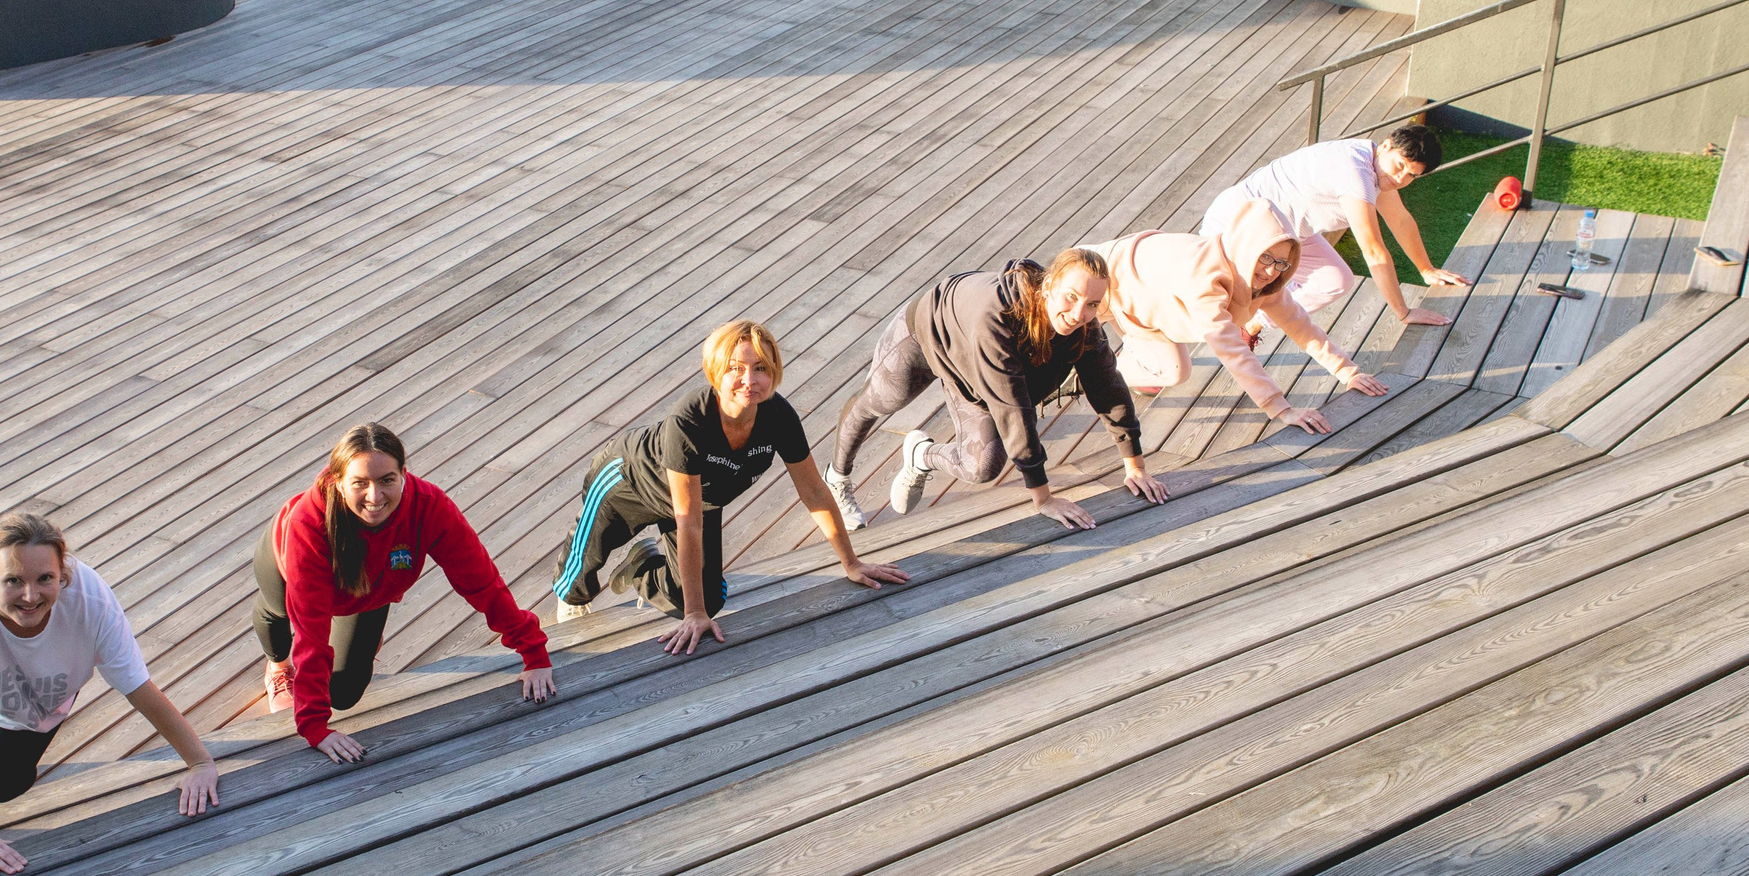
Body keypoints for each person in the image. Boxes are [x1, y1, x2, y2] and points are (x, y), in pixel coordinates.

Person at [555, 320, 910, 656]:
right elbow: (688, 522)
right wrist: (694, 615)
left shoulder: (778, 417)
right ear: (714, 373)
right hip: (631, 482)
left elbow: (814, 492)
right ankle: (573, 599)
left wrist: (852, 562)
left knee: (709, 603)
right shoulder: (689, 421)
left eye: (760, 368)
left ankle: (639, 566)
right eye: (735, 369)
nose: (749, 380)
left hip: (699, 500)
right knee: (583, 568)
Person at [0, 512, 221, 876]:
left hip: (44, 693)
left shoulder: (92, 603)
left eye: (45, 579)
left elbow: (138, 688)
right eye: (13, 580)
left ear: (64, 575)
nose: (30, 596)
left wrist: (200, 763)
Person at [258, 423, 556, 765]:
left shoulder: (429, 506)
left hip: (367, 592)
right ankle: (278, 666)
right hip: (284, 565)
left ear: (403, 473)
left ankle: (357, 645)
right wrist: (314, 727)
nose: (375, 496)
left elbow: (482, 582)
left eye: (387, 480)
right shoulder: (307, 525)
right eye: (360, 483)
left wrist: (534, 653)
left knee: (344, 693)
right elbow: (311, 632)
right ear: (338, 482)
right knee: (279, 617)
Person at [827, 249, 1167, 534]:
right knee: (879, 402)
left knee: (982, 467)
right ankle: (837, 478)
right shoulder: (997, 317)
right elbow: (1012, 408)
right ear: (1049, 286)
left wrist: (1134, 466)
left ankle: (920, 456)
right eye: (1072, 297)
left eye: (1093, 304)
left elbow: (1108, 388)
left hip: (972, 369)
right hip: (927, 333)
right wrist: (1044, 498)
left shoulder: (1085, 328)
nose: (1079, 313)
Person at [1084, 194, 1390, 439]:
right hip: (1098, 276)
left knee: (1175, 373)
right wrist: (1279, 407)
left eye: (1282, 262)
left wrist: (1347, 372)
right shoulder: (1206, 278)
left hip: (1148, 307)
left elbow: (1300, 325)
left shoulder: (1266, 283)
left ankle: (1095, 373)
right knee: (1050, 351)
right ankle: (1083, 364)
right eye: (1266, 256)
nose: (1271, 270)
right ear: (1246, 247)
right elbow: (1231, 349)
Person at [1204, 124, 1471, 331]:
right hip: (1237, 221)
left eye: (1411, 175)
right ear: (1386, 145)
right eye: (1400, 166)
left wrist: (1426, 269)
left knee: (1334, 280)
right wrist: (1404, 312)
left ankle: (1256, 322)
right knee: (1216, 299)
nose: (1401, 178)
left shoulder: (1380, 171)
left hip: (1288, 233)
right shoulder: (1355, 172)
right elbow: (1374, 252)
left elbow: (1400, 220)